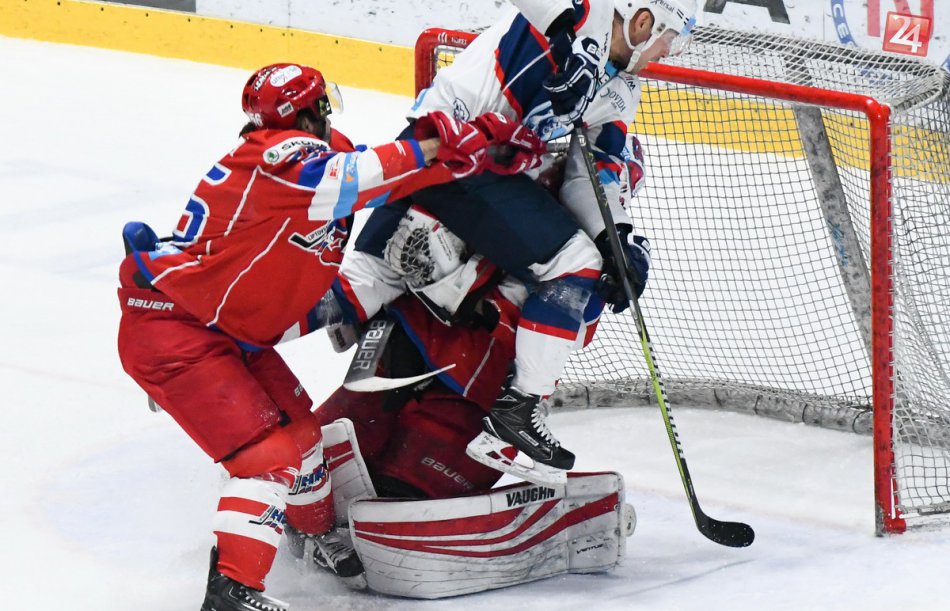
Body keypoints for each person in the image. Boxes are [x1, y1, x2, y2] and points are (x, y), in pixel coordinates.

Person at [116, 62, 544, 611]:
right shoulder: (280, 161)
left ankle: (313, 535)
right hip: (180, 332)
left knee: (303, 438)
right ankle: (231, 592)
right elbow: (364, 174)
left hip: (227, 331)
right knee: (269, 457)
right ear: (305, 115)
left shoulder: (311, 159)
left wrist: (477, 159)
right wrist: (444, 144)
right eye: (322, 106)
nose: (327, 117)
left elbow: (384, 175)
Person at [325, 0, 695, 484]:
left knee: (353, 296)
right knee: (573, 265)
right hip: (449, 148)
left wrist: (615, 238)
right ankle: (515, 412)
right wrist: (563, 35)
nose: (669, 52)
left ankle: (292, 382)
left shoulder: (621, 92)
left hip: (482, 174)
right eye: (671, 38)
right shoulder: (583, 11)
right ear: (645, 21)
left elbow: (587, 177)